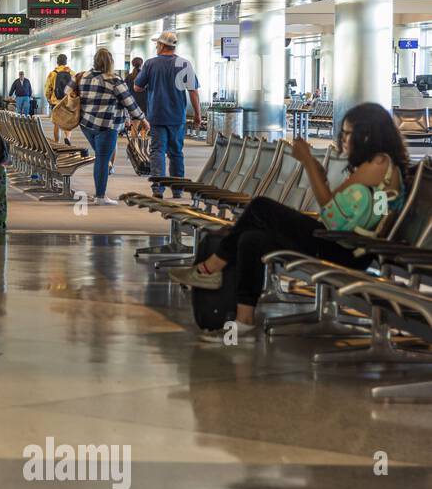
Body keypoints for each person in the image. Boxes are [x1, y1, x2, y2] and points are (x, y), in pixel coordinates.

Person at [168, 103, 407, 342]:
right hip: (343, 241)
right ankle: (243, 322)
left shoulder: (379, 163)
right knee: (252, 239)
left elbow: (328, 206)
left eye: (347, 133)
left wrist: (307, 162)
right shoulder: (380, 164)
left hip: (349, 248)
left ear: (366, 135)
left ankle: (208, 269)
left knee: (261, 207)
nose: (342, 138)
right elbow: (339, 209)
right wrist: (315, 169)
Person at [76, 49, 149, 206]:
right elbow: (129, 102)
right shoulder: (114, 80)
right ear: (110, 63)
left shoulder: (83, 76)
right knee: (102, 159)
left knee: (102, 157)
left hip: (87, 125)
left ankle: (100, 192)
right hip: (106, 125)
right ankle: (100, 196)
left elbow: (67, 91)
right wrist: (143, 119)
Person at [134, 30, 201, 199]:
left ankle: (158, 188)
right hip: (177, 116)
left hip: (157, 115)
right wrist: (198, 115)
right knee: (176, 152)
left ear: (163, 45)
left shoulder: (150, 64)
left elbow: (137, 87)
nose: (156, 46)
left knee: (157, 151)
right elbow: (193, 92)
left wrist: (151, 85)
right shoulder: (185, 64)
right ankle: (177, 189)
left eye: (157, 44)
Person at [44, 54, 77, 146]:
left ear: (57, 62)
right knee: (67, 123)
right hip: (68, 101)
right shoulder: (72, 73)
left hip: (56, 102)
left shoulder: (53, 74)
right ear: (66, 62)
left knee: (56, 124)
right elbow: (75, 88)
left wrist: (49, 98)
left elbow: (47, 88)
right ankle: (67, 138)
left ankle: (57, 143)